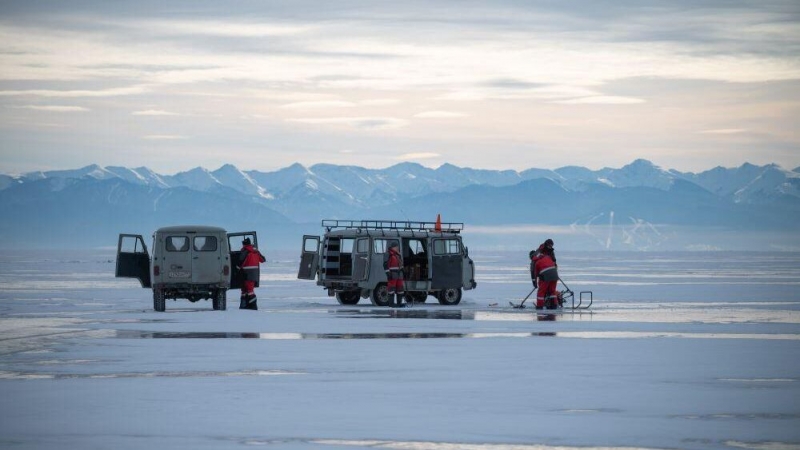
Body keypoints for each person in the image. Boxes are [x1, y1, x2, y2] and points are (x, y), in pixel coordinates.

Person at [530, 238, 559, 310]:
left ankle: (539, 307)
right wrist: (554, 272)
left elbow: (534, 272)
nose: (550, 247)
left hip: (546, 273)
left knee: (541, 291)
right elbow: (553, 263)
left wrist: (534, 282)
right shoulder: (545, 255)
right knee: (552, 291)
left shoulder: (535, 260)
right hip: (554, 272)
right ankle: (553, 305)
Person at [238, 238, 265, 310]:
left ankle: (251, 306)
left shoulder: (245, 251)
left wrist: (237, 268)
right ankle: (247, 305)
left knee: (247, 290)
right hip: (254, 274)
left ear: (244, 244)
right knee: (248, 289)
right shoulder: (255, 251)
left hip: (246, 274)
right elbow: (263, 259)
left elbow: (241, 260)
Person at [383, 241, 405, 308]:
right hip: (392, 274)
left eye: (397, 246)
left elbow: (400, 264)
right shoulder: (388, 254)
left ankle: (399, 303)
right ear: (392, 247)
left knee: (400, 290)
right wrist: (388, 273)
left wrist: (402, 270)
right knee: (391, 290)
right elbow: (385, 264)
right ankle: (391, 303)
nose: (397, 248)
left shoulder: (398, 254)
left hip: (399, 275)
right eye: (396, 246)